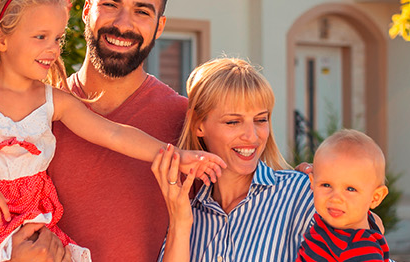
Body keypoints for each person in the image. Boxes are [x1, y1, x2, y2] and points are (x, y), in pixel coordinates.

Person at [0, 0, 225, 262]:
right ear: (0, 38)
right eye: (41, 37)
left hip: (33, 217)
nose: (53, 50)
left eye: (57, 39)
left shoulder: (53, 100)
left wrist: (176, 155)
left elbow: (114, 134)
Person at [152, 58, 384, 262]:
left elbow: (367, 247)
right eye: (233, 122)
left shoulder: (305, 194)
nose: (252, 136)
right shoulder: (188, 211)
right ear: (198, 125)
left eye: (261, 120)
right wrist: (180, 225)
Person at [46, 0, 187, 262]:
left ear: (160, 26)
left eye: (142, 12)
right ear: (85, 10)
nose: (123, 24)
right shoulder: (35, 110)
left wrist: (308, 179)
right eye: (110, 5)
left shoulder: (185, 121)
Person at [296, 129, 390, 262]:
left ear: (376, 197)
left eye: (350, 189)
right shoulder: (334, 225)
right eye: (326, 185)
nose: (335, 198)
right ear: (313, 183)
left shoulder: (361, 251)